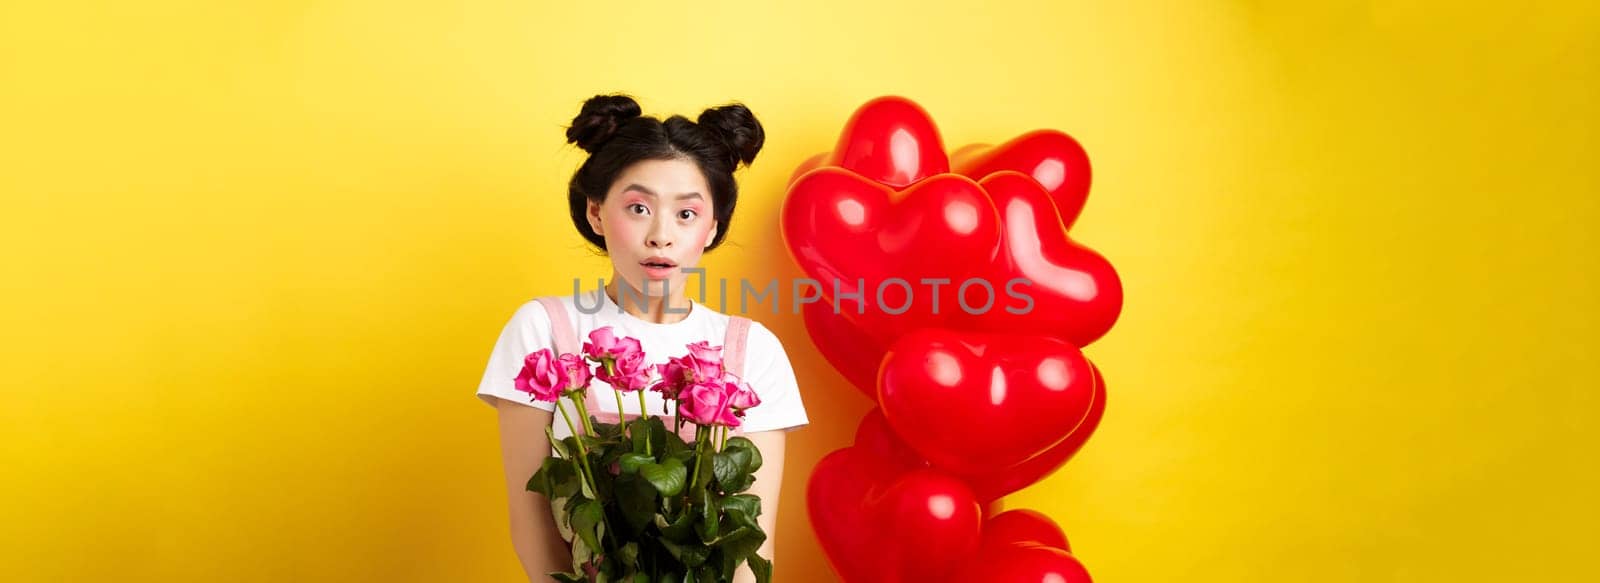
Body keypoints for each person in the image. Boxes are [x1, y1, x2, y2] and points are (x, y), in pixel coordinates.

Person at [475, 94, 810, 582]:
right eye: (637, 207)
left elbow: (749, 542)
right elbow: (532, 525)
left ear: (712, 227)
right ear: (595, 213)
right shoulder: (544, 330)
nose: (661, 236)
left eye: (686, 214)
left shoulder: (752, 350)